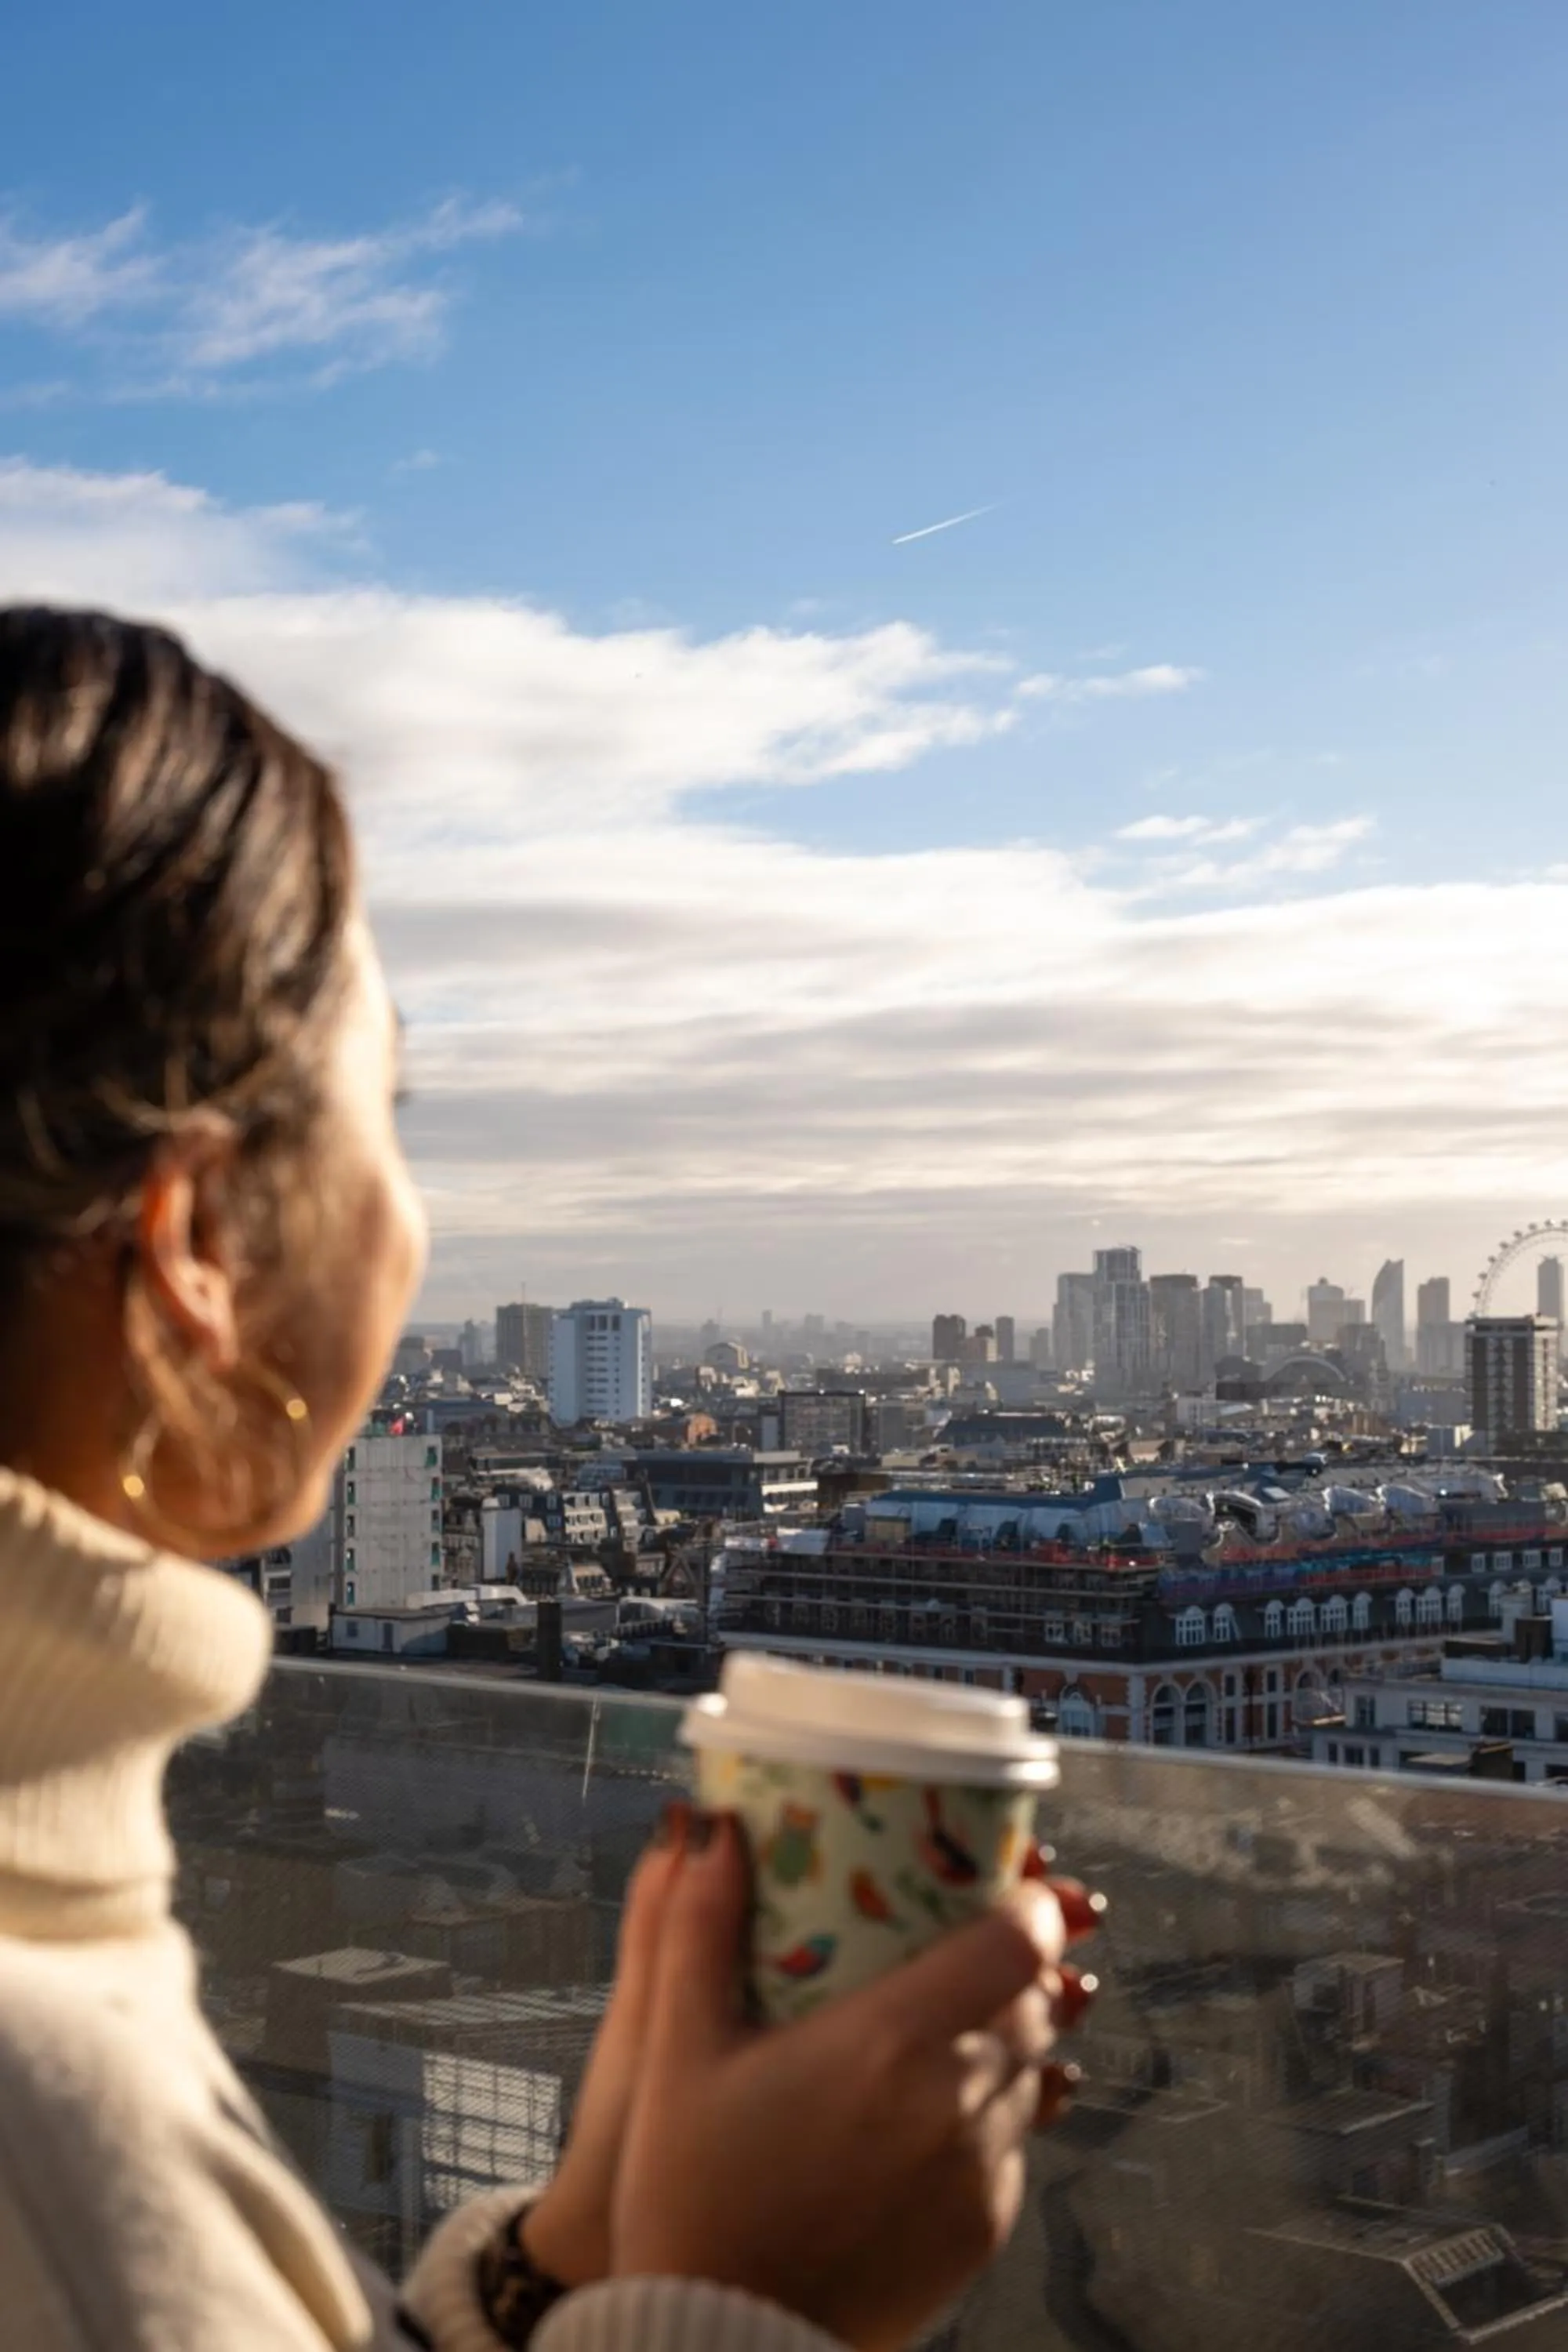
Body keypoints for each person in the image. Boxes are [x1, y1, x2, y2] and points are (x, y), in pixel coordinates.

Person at [0, 606, 1098, 2352]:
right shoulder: (53, 2171)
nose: (415, 1224)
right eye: (394, 1110)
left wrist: (572, 2271)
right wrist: (744, 2311)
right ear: (201, 1238)